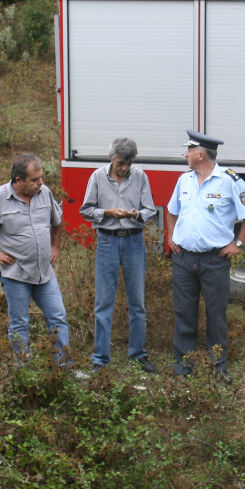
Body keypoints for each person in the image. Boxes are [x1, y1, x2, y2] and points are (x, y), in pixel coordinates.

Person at [165, 130, 245, 383]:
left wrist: (238, 243)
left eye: (189, 150)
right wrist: (171, 236)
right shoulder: (184, 180)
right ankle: (184, 366)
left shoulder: (230, 181)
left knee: (216, 315)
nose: (185, 154)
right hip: (184, 259)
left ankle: (218, 367)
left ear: (201, 154)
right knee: (184, 312)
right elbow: (171, 211)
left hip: (214, 260)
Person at [0, 153, 72, 363]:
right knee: (20, 323)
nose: (40, 183)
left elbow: (58, 220)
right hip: (16, 274)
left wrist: (55, 246)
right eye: (34, 179)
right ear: (18, 181)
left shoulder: (45, 193)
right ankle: (24, 371)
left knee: (58, 317)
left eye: (41, 178)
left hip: (45, 273)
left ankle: (64, 367)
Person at [80, 137, 158, 373]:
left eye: (129, 163)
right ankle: (100, 358)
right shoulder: (96, 177)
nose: (124, 168)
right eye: (120, 163)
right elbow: (85, 210)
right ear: (111, 158)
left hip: (135, 241)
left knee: (138, 303)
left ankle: (138, 354)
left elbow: (150, 209)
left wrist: (137, 215)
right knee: (103, 303)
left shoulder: (141, 177)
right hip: (107, 241)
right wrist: (107, 212)